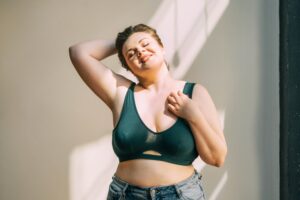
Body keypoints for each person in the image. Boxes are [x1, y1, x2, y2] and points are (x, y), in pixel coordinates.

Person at [69, 24, 227, 200]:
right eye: (131, 53)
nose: (140, 51)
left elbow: (217, 158)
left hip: (181, 195)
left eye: (145, 44)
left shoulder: (195, 93)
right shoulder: (120, 93)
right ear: (128, 66)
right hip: (125, 195)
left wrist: (194, 115)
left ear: (162, 47)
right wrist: (123, 41)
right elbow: (78, 53)